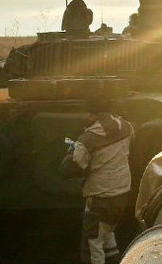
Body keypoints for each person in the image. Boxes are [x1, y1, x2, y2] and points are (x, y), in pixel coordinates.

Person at [61, 113, 134, 264]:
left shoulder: (88, 139)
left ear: (92, 114)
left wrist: (71, 151)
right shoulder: (125, 127)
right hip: (121, 193)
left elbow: (69, 168)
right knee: (106, 234)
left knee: (91, 245)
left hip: (100, 197)